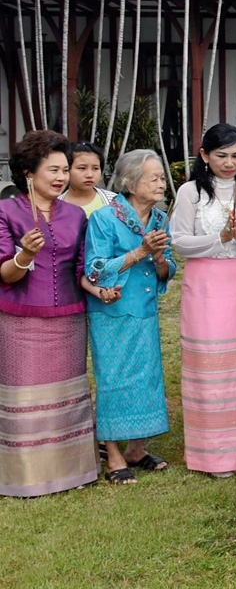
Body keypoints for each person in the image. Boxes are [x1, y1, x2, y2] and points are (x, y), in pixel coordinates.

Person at [0, 132, 102, 497]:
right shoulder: (5, 211)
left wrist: (98, 286)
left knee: (67, 396)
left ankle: (74, 470)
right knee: (26, 398)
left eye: (64, 170)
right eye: (53, 170)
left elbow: (80, 268)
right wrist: (24, 255)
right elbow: (4, 274)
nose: (61, 177)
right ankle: (25, 477)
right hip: (21, 320)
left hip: (70, 320)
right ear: (29, 172)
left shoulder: (76, 215)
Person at [170, 124, 236, 478]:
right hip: (206, 282)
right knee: (209, 369)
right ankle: (211, 455)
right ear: (205, 156)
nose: (230, 163)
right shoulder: (190, 192)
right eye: (222, 155)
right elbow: (179, 242)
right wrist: (219, 237)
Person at [84, 149, 177, 485]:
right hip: (112, 310)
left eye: (161, 178)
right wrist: (139, 252)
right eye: (154, 178)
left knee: (146, 378)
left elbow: (167, 266)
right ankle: (113, 455)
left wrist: (158, 258)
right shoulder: (103, 219)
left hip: (145, 310)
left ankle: (137, 449)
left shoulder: (160, 219)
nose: (161, 183)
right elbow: (94, 270)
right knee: (114, 380)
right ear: (130, 182)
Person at [59, 142, 116, 216]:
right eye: (82, 168)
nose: (89, 175)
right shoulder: (54, 206)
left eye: (95, 168)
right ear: (67, 169)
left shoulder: (113, 201)